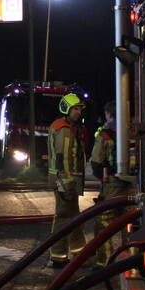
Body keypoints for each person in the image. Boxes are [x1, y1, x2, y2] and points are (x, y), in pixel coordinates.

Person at [47, 93, 87, 268]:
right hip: (65, 181)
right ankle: (58, 256)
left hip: (66, 180)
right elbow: (63, 159)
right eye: (76, 109)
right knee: (64, 217)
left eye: (80, 109)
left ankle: (79, 251)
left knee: (73, 215)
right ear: (67, 109)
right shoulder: (64, 129)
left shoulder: (66, 127)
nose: (79, 112)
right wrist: (68, 182)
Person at [89, 100, 131, 267]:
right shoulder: (132, 131)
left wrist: (102, 177)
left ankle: (103, 262)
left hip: (112, 183)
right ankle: (130, 259)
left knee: (103, 222)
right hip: (134, 184)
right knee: (129, 221)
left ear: (109, 114)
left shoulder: (105, 134)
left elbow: (97, 162)